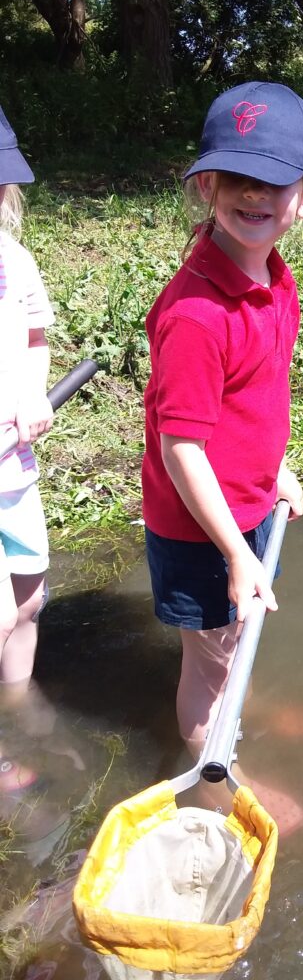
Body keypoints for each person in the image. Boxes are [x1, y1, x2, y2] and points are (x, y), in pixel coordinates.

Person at [142, 82, 303, 831]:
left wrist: (272, 467)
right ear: (208, 186)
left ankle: (230, 708)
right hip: (199, 525)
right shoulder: (195, 312)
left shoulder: (273, 278)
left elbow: (253, 400)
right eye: (236, 180)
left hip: (244, 504)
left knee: (231, 638)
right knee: (207, 660)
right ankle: (215, 774)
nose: (253, 197)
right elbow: (181, 444)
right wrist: (235, 554)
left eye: (272, 183)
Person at [0, 105, 55, 794]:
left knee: (30, 597)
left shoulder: (14, 261)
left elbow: (36, 335)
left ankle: (20, 702)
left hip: (14, 470)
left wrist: (34, 396)